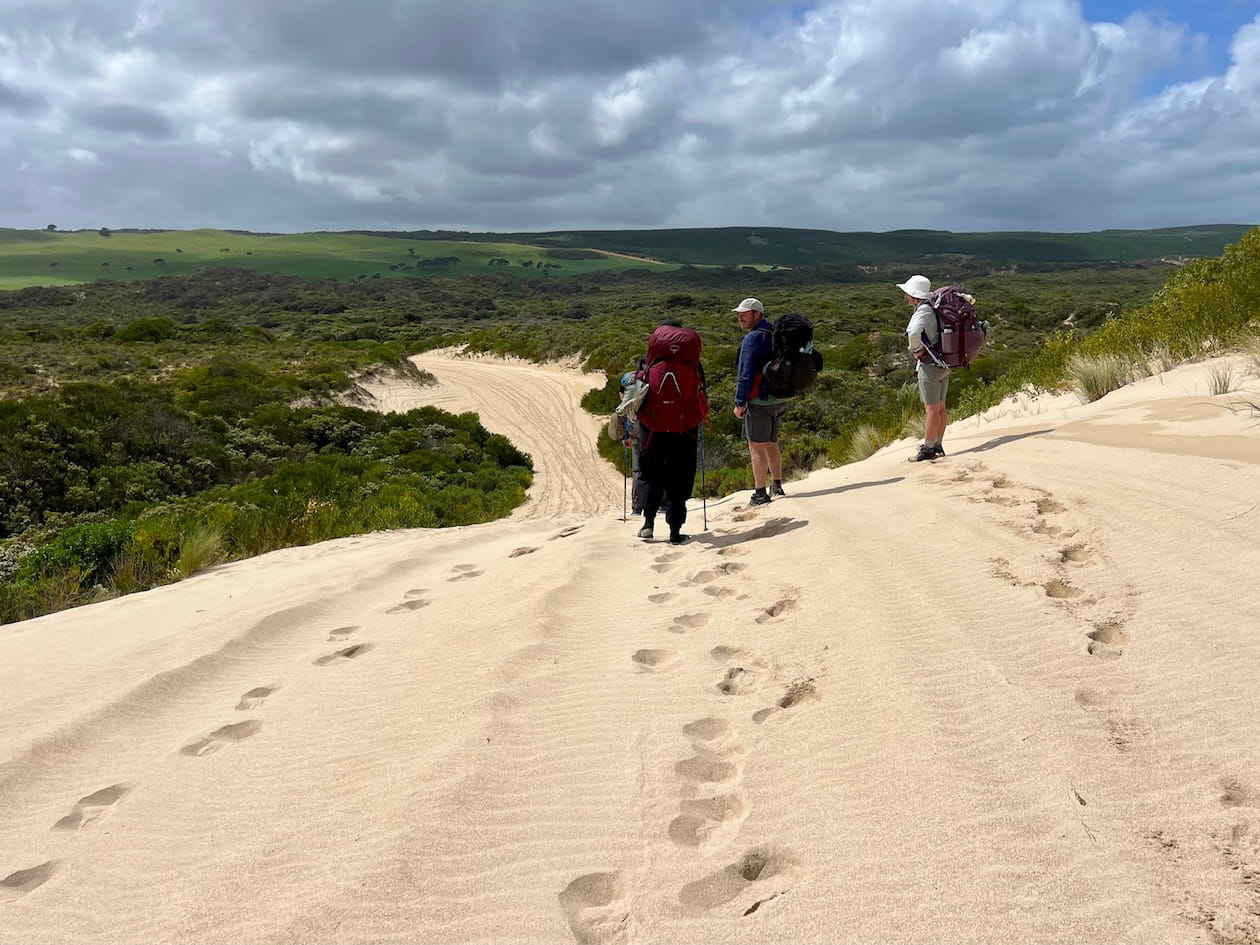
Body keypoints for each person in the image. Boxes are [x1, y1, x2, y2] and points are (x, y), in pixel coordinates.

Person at [635, 323, 707, 545]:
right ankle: (675, 531)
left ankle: (648, 524)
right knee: (680, 476)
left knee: (650, 475)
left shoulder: (648, 362)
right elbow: (702, 395)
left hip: (652, 429)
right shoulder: (693, 364)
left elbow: (638, 394)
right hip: (684, 429)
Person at [732, 298, 791, 505]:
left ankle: (760, 493)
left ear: (757, 314)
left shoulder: (753, 338)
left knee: (756, 447)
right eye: (740, 314)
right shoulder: (776, 333)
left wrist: (740, 403)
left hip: (760, 400)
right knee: (771, 443)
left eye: (745, 314)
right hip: (780, 398)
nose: (740, 317)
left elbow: (745, 374)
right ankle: (777, 485)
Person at [899, 274, 949, 462]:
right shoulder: (936, 306)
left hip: (930, 365)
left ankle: (928, 448)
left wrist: (915, 349)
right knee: (941, 407)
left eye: (907, 294)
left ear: (914, 295)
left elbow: (912, 331)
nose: (905, 297)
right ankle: (937, 443)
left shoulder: (924, 311)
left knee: (931, 408)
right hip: (944, 362)